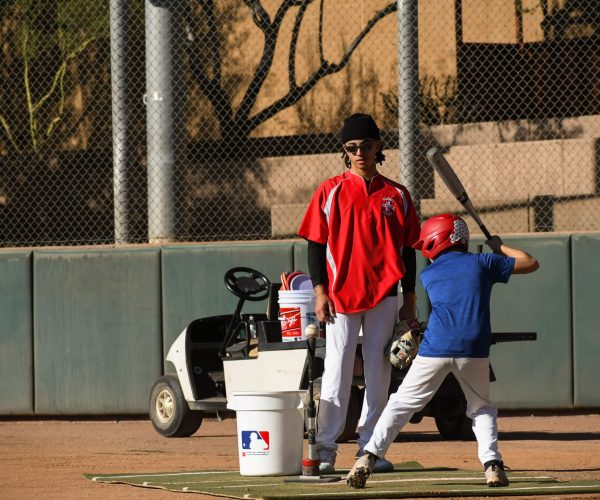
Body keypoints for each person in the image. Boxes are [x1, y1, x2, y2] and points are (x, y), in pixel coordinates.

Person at [346, 213, 539, 489]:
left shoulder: (429, 273)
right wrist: (499, 247)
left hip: (435, 347)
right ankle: (492, 465)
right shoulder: (483, 262)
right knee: (481, 407)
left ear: (437, 241)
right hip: (474, 348)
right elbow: (531, 262)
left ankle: (367, 457)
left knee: (401, 404)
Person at [297, 113, 421, 474]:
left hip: (385, 295)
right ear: (344, 151)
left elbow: (409, 250)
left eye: (365, 146)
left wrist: (408, 300)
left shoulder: (396, 194)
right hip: (341, 298)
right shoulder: (330, 190)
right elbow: (315, 245)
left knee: (379, 373)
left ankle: (370, 448)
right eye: (351, 148)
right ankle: (324, 449)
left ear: (378, 146)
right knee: (335, 374)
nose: (358, 153)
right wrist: (320, 291)